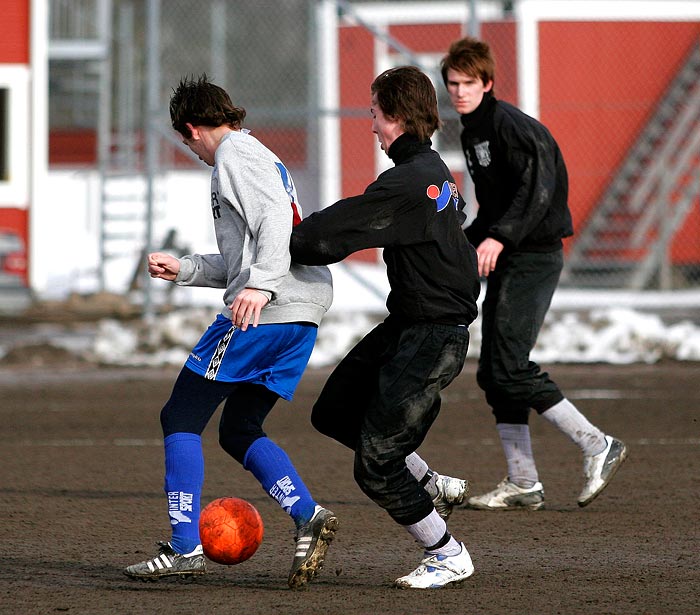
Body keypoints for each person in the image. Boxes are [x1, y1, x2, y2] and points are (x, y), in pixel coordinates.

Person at [124, 75, 338, 589]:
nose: (190, 151)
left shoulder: (235, 156)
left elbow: (272, 228)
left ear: (192, 129)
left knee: (180, 414)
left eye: (185, 141)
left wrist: (260, 287)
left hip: (265, 313)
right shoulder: (256, 155)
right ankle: (308, 516)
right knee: (239, 430)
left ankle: (184, 548)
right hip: (297, 316)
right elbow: (250, 256)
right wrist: (187, 269)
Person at [290, 66, 481, 589]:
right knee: (333, 412)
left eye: (374, 113)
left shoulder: (410, 179)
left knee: (375, 462)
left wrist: (289, 237)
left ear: (394, 116)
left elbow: (334, 231)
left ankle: (446, 552)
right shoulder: (428, 167)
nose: (370, 124)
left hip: (434, 334)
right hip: (410, 323)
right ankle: (428, 481)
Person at [439, 37, 628, 511]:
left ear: (488, 83)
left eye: (468, 83)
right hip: (511, 252)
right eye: (452, 84)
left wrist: (499, 237)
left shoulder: (513, 128)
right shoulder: (471, 132)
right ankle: (524, 482)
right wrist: (456, 243)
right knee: (494, 374)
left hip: (534, 255)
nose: (459, 91)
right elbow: (495, 208)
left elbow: (537, 193)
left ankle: (597, 444)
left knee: (510, 367)